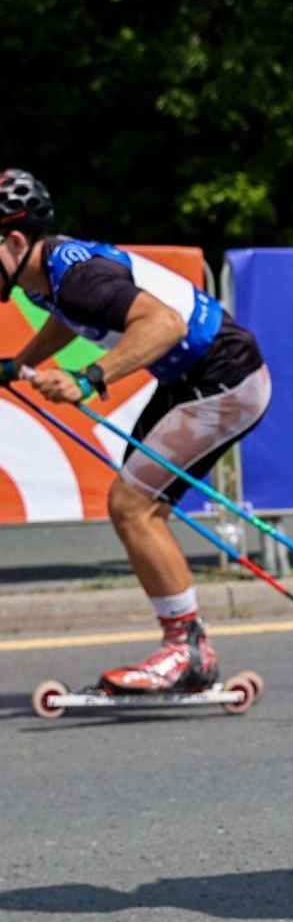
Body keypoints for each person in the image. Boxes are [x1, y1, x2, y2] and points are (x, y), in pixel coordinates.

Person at [0, 168, 272, 693]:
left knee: (131, 505)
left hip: (225, 378)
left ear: (14, 241)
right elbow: (71, 318)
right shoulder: (48, 277)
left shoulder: (78, 275)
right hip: (193, 376)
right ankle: (188, 648)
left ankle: (186, 651)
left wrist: (88, 378)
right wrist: (20, 362)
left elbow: (164, 323)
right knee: (141, 509)